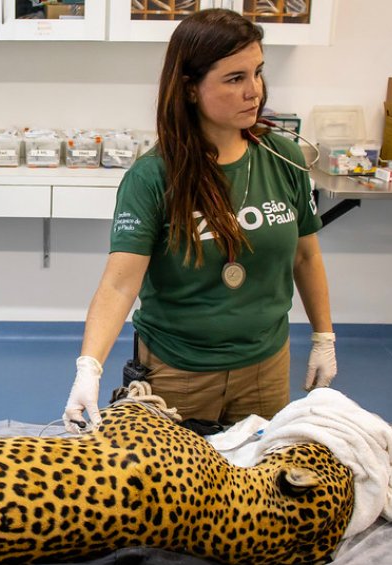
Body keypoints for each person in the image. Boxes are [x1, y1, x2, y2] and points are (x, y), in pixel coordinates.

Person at [62, 9, 337, 433]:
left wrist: (324, 337)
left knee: (257, 471)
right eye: (235, 78)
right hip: (179, 372)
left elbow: (306, 257)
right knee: (176, 477)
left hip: (265, 366)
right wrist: (89, 367)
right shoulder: (154, 177)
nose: (254, 91)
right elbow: (119, 284)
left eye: (258, 72)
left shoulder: (283, 158)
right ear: (190, 88)